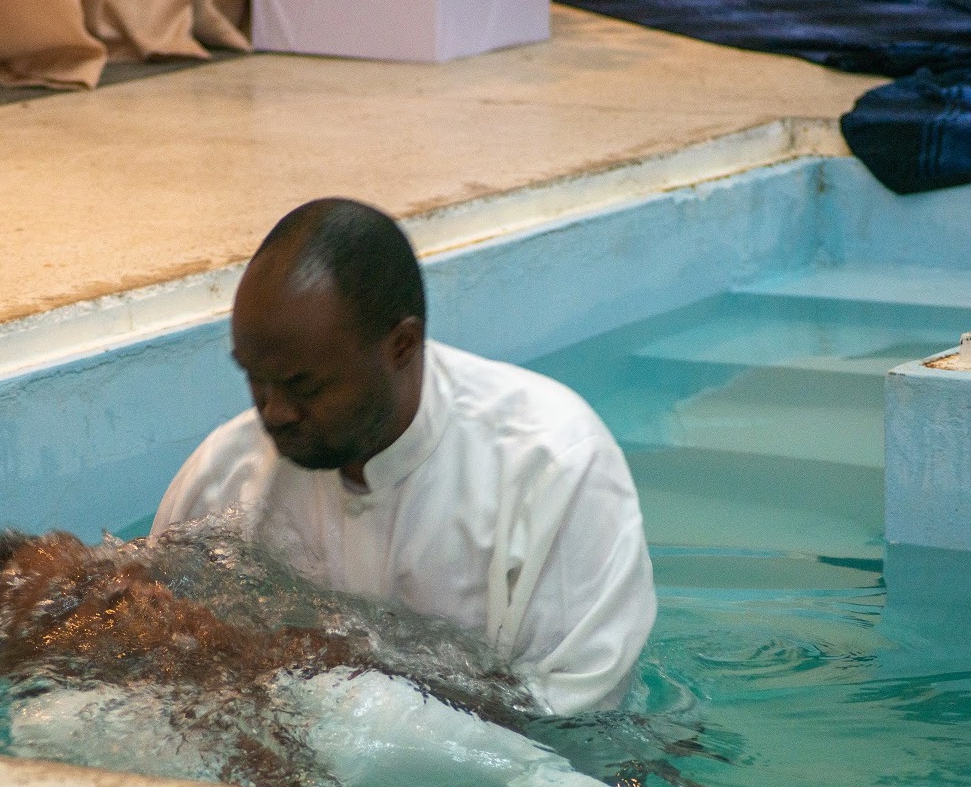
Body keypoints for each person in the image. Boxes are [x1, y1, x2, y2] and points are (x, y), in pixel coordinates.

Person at [153, 198, 656, 714]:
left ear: (402, 344)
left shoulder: (553, 466)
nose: (274, 412)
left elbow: (577, 718)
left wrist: (344, 683)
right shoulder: (224, 475)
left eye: (304, 385)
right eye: (254, 379)